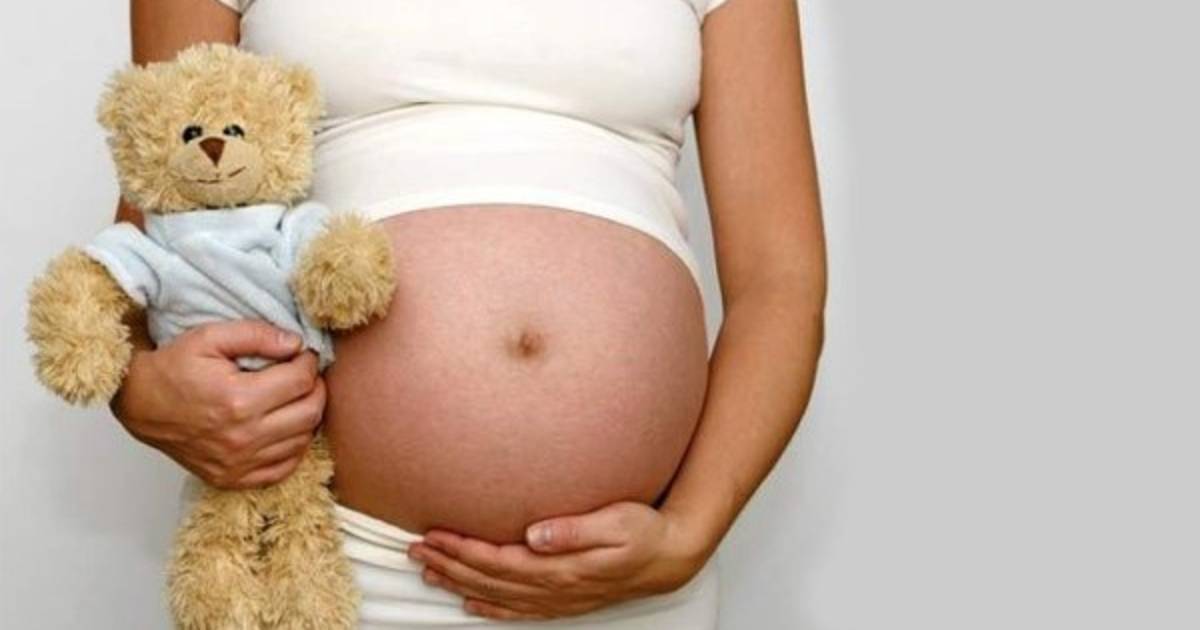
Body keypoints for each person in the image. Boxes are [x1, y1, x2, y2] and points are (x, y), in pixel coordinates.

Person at [110, 0, 826, 626]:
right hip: (326, 561)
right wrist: (141, 392)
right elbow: (150, 230)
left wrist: (689, 533)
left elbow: (779, 282)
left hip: (626, 584)